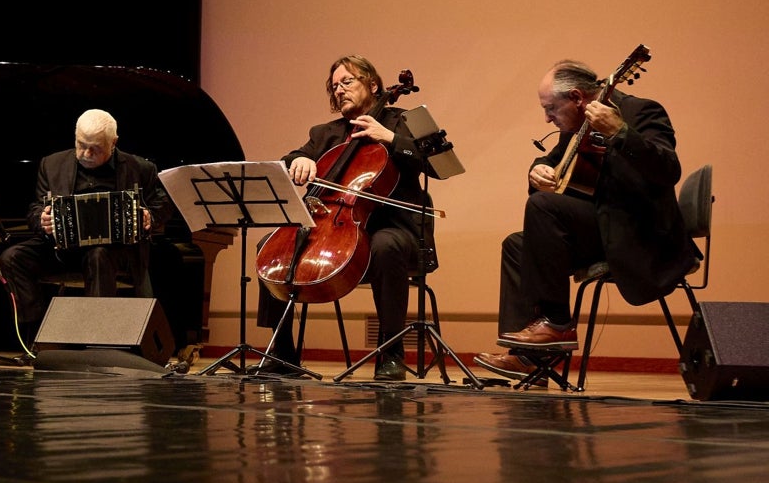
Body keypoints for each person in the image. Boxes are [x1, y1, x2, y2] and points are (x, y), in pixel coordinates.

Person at [474, 58, 699, 382]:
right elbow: (550, 160)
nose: (547, 118)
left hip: (640, 234)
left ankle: (557, 325)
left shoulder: (643, 112)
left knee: (543, 207)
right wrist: (536, 169)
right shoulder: (576, 128)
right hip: (603, 232)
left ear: (578, 98)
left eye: (551, 108)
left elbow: (668, 169)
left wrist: (620, 132)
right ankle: (528, 359)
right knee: (516, 245)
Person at [255, 55, 440, 381]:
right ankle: (282, 353)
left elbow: (439, 164)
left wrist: (392, 139)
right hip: (337, 230)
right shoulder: (325, 133)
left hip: (397, 231)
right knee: (270, 245)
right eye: (334, 86)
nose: (339, 90)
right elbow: (289, 159)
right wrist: (300, 161)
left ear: (372, 85)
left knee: (384, 245)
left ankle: (391, 353)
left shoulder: (405, 121)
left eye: (347, 82)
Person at [0, 108, 175, 347]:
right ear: (75, 136)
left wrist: (149, 217)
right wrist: (42, 219)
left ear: (114, 143)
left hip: (116, 251)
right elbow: (35, 208)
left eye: (96, 148)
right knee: (12, 258)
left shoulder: (140, 168)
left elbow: (163, 204)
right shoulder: (51, 164)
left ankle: (98, 342)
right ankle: (39, 337)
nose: (86, 153)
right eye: (81, 144)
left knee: (98, 255)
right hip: (62, 249)